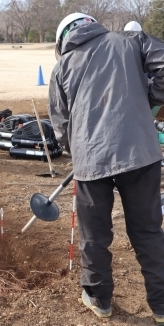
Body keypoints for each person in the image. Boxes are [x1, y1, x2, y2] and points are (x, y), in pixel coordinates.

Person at [48, 12, 164, 325]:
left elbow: (60, 125)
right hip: (140, 152)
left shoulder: (61, 67)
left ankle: (99, 300)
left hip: (91, 162)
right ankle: (162, 305)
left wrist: (79, 149)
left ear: (63, 40)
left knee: (94, 236)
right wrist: (150, 99)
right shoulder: (128, 41)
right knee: (148, 232)